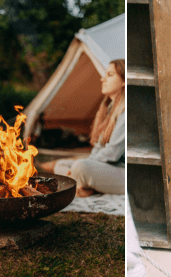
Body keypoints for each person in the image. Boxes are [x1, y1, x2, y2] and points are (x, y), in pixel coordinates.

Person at [40, 59, 125, 197]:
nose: (103, 79)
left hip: (123, 173)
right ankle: (85, 185)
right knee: (62, 165)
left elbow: (113, 153)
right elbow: (99, 147)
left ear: (124, 81)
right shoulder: (109, 109)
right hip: (109, 168)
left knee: (80, 167)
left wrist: (87, 164)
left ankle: (82, 183)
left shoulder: (125, 112)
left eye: (110, 75)